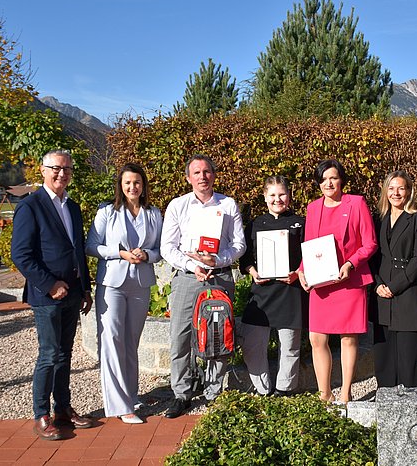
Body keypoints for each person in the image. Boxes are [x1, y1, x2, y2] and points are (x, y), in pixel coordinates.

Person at [11, 149, 94, 440]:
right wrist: (49, 284)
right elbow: (21, 255)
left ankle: (63, 409)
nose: (62, 174)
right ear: (43, 170)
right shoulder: (30, 206)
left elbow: (77, 250)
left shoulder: (72, 207)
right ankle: (41, 414)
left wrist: (85, 287)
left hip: (73, 293)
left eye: (67, 169)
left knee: (65, 354)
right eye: (57, 168)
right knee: (49, 354)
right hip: (47, 296)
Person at [160, 154, 245, 417]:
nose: (202, 177)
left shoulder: (228, 204)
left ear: (214, 175)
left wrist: (217, 260)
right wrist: (192, 265)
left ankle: (213, 391)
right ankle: (182, 392)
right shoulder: (178, 206)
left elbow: (239, 245)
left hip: (220, 277)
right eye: (196, 173)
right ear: (188, 178)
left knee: (219, 333)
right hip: (188, 278)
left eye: (207, 171)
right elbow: (167, 247)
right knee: (181, 336)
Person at [86, 163, 163, 424]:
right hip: (112, 283)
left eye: (137, 182)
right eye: (128, 182)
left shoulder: (153, 213)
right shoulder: (107, 212)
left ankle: (131, 394)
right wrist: (118, 253)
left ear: (144, 185)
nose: (133, 187)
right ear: (120, 184)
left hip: (140, 283)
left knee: (131, 341)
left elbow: (161, 249)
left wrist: (147, 255)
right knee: (112, 341)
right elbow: (92, 246)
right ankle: (120, 406)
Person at [298, 159, 377, 403]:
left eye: (333, 177)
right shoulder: (312, 209)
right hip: (322, 283)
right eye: (323, 179)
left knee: (348, 337)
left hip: (349, 280)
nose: (328, 183)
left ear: (341, 179)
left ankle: (345, 392)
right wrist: (302, 270)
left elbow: (370, 243)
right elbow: (310, 246)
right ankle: (324, 393)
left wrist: (351, 263)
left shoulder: (357, 203)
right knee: (316, 338)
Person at [239, 176, 307, 397]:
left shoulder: (301, 222)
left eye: (282, 194)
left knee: (289, 346)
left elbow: (310, 254)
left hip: (291, 291)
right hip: (262, 291)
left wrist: (298, 273)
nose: (278, 199)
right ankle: (263, 388)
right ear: (265, 197)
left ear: (289, 195)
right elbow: (245, 257)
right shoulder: (255, 224)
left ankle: (284, 389)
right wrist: (252, 272)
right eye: (272, 195)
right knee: (251, 344)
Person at [371, 171, 417, 389]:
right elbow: (373, 255)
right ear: (386, 191)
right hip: (381, 291)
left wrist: (394, 287)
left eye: (401, 188)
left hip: (406, 291)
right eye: (392, 188)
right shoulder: (378, 219)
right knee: (384, 351)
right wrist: (377, 285)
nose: (396, 193)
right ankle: (385, 395)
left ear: (409, 191)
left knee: (408, 352)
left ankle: (411, 398)